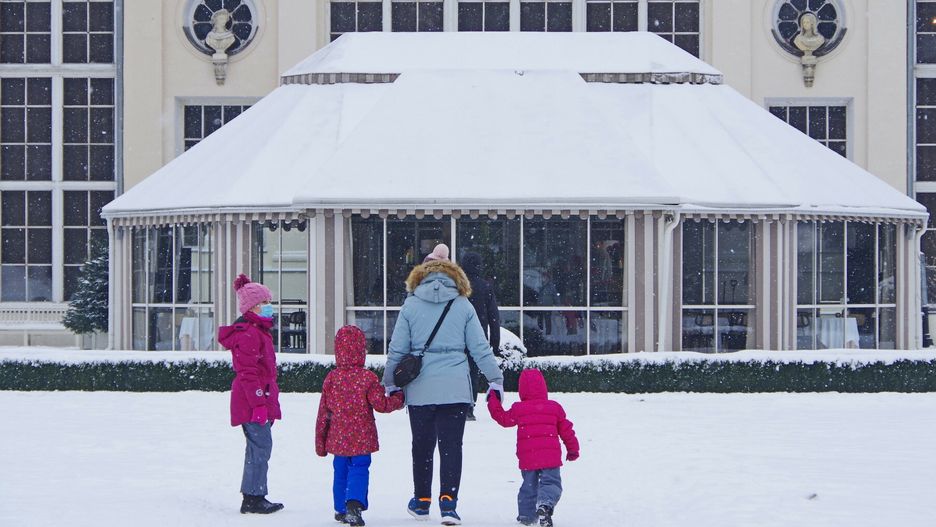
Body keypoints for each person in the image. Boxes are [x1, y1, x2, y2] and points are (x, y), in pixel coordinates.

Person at [383, 246, 504, 525]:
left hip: (420, 387)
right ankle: (448, 501)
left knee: (422, 446)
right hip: (455, 387)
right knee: (451, 446)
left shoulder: (411, 304)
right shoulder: (462, 304)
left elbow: (397, 349)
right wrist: (495, 379)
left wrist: (390, 383)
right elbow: (480, 348)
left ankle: (422, 501)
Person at [316, 325, 405, 527]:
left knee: (340, 470)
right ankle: (354, 504)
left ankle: (340, 508)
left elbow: (323, 413)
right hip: (362, 436)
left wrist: (320, 443)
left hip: (338, 438)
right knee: (359, 468)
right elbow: (381, 405)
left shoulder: (332, 378)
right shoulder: (367, 378)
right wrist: (399, 399)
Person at [217, 274, 284, 514]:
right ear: (251, 307)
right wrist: (258, 404)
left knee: (258, 447)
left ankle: (254, 494)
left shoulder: (258, 331)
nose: (268, 307)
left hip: (258, 400)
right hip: (252, 402)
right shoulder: (249, 333)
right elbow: (248, 372)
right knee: (260, 447)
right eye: (263, 302)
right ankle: (254, 497)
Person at [487, 368, 580, 527]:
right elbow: (566, 430)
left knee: (529, 486)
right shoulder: (554, 407)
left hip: (528, 456)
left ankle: (526, 516)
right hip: (550, 457)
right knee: (551, 483)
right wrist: (572, 449)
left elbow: (503, 419)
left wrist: (493, 400)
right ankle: (545, 504)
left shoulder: (519, 408)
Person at [459, 251, 501, 421]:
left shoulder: (457, 286)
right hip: (478, 335)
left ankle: (459, 403)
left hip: (457, 335)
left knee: (458, 370)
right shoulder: (485, 286)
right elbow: (493, 316)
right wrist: (495, 342)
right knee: (473, 371)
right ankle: (470, 406)